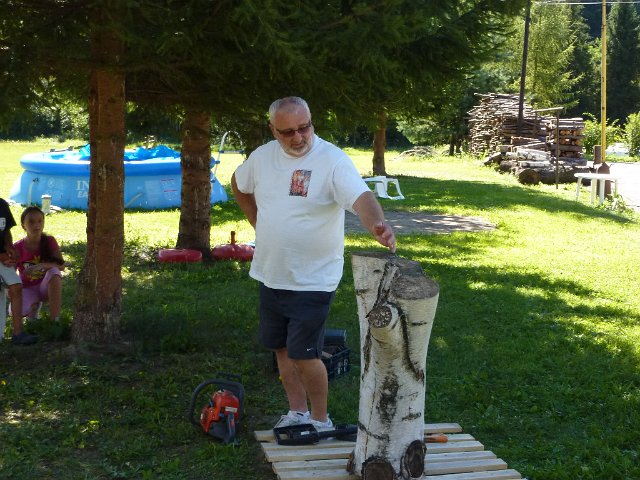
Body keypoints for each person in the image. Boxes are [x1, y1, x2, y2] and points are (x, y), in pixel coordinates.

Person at [231, 96, 396, 431]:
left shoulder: (331, 160)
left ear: (311, 122)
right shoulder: (262, 157)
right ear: (273, 130)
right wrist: (256, 220)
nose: (298, 137)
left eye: (303, 127)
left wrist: (377, 224)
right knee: (281, 349)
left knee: (304, 354)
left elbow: (361, 197)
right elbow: (239, 182)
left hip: (313, 279)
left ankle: (321, 420)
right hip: (271, 273)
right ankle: (297, 412)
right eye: (287, 132)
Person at [13, 206, 65, 323]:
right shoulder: (17, 247)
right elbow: (10, 274)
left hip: (45, 287)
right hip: (27, 288)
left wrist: (42, 266)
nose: (36, 225)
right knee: (16, 311)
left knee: (54, 272)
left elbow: (61, 266)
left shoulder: (50, 241)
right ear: (23, 225)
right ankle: (33, 309)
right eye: (31, 222)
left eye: (40, 221)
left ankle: (55, 321)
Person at [0, 198, 37, 345]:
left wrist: (9, 247)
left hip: (2, 258)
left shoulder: (2, 205)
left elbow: (6, 231)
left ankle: (18, 333)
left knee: (16, 286)